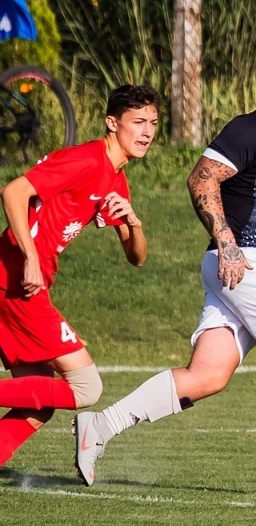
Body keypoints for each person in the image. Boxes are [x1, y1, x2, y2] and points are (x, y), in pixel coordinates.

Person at [74, 49, 256, 499]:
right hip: (251, 261)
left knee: (208, 375)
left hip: (242, 268)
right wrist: (229, 244)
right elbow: (201, 179)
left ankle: (98, 427)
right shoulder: (249, 129)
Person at [0, 85, 155, 468]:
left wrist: (133, 223)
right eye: (137, 122)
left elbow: (136, 258)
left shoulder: (115, 178)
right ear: (111, 123)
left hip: (22, 283)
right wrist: (31, 257)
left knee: (36, 404)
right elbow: (14, 192)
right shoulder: (85, 160)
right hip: (18, 282)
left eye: (152, 123)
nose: (147, 132)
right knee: (86, 387)